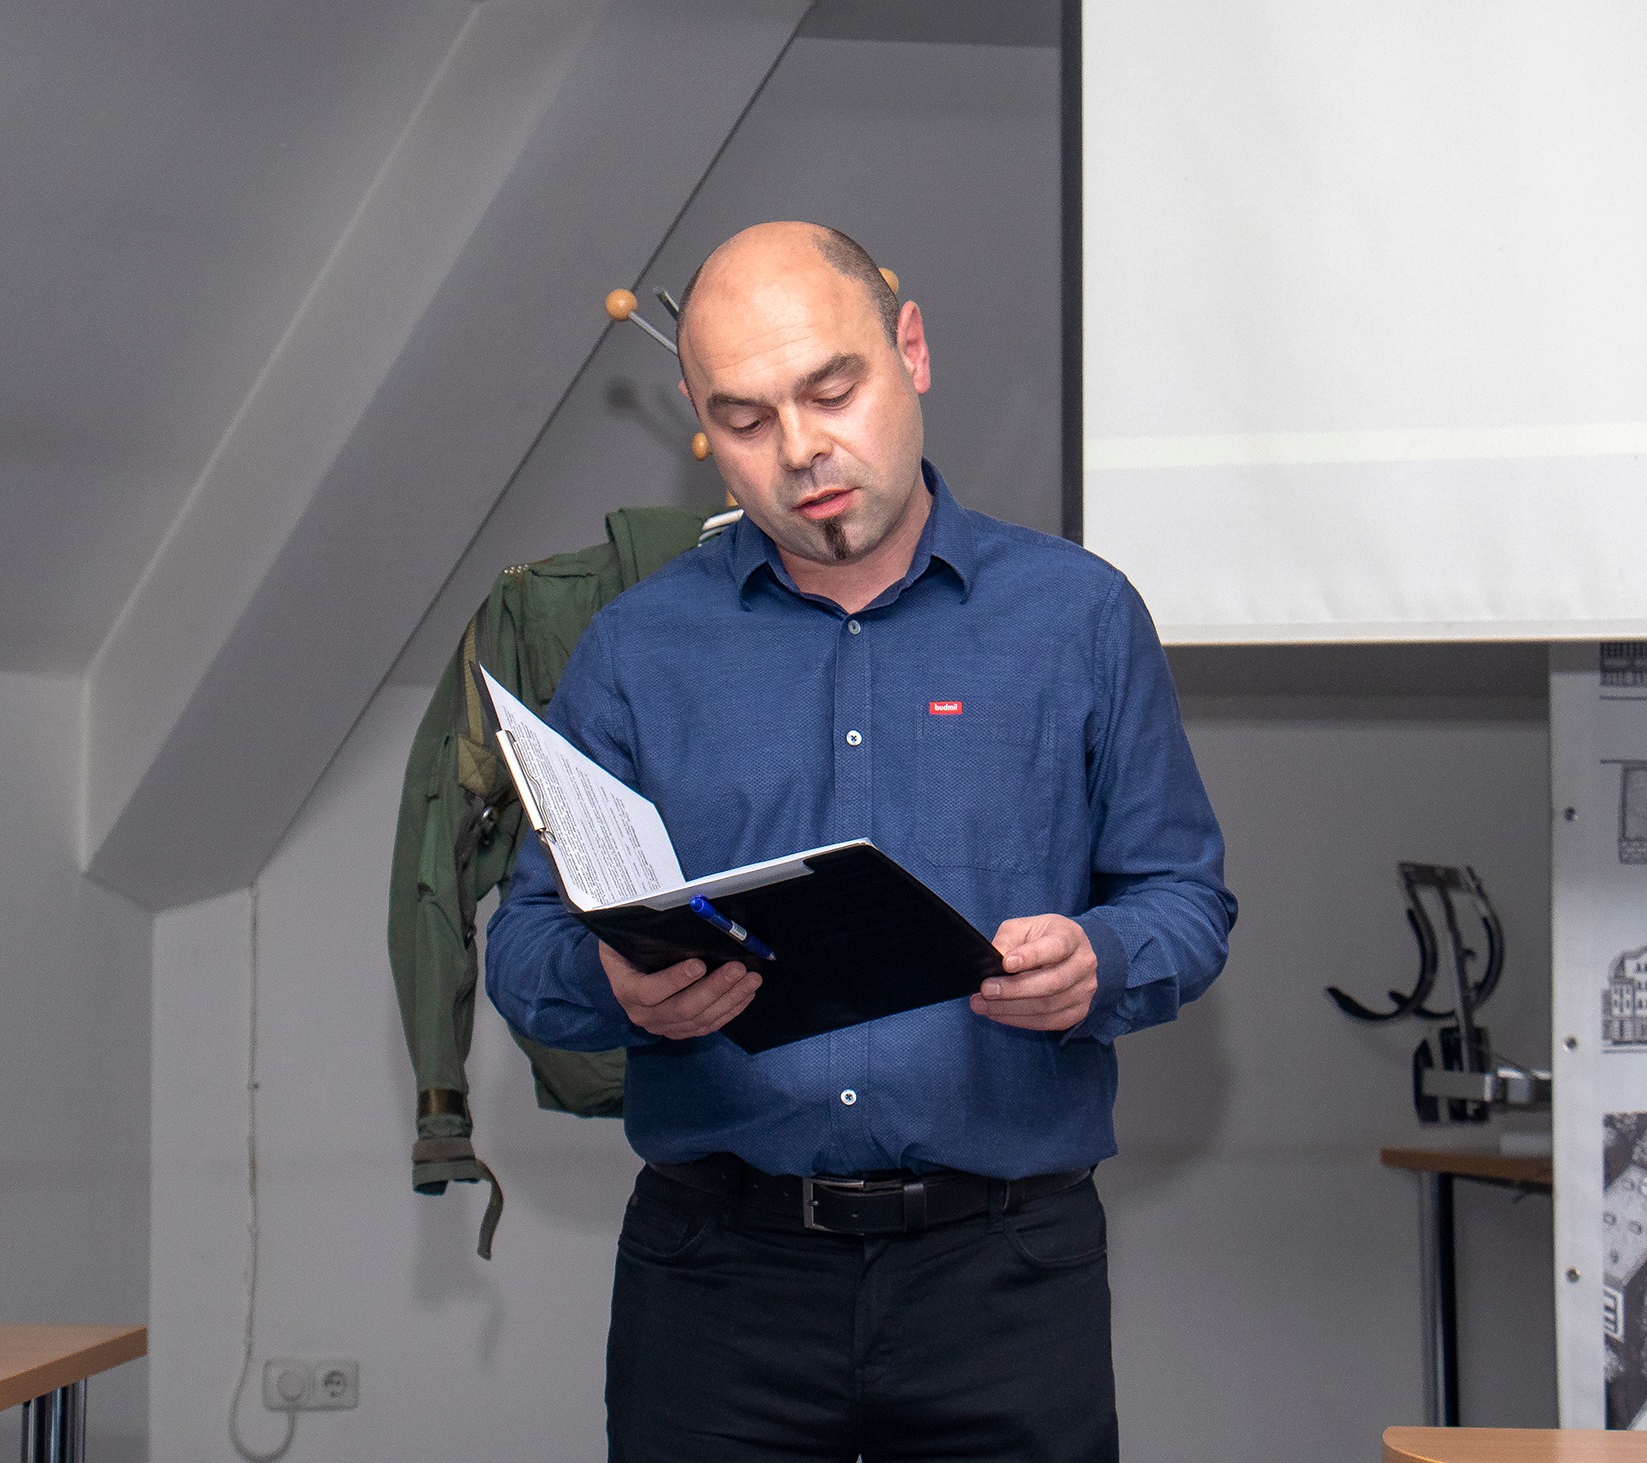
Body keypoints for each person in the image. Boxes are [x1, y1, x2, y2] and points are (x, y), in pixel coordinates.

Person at [484, 221, 1235, 1462]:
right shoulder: (635, 647)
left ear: (911, 350)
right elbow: (522, 942)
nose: (798, 450)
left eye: (831, 392)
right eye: (743, 418)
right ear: (700, 424)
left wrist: (1097, 960)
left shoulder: (1078, 616)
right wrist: (610, 980)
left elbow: (1183, 899)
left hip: (1004, 1275)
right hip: (717, 1281)